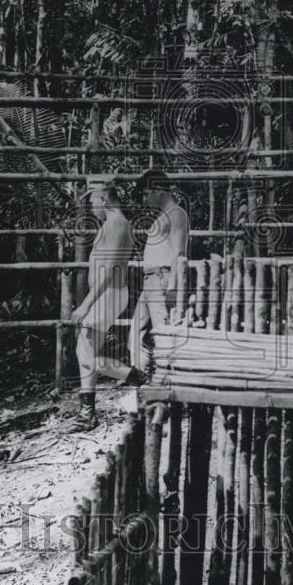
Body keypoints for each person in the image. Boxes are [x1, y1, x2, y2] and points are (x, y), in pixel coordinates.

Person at [69, 183, 147, 430]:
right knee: (86, 350)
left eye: (93, 201)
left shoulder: (116, 224)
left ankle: (143, 380)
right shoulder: (113, 224)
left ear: (103, 198)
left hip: (108, 295)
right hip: (107, 295)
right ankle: (87, 413)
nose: (92, 207)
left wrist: (86, 304)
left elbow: (110, 267)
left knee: (86, 355)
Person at [128, 170, 190, 375]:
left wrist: (172, 287)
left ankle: (168, 388)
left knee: (164, 334)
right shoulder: (161, 217)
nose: (145, 199)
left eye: (146, 194)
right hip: (151, 281)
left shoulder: (177, 214)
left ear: (157, 191)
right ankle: (143, 390)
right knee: (136, 336)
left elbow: (179, 253)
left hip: (162, 279)